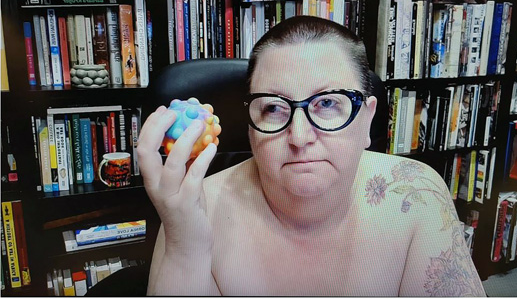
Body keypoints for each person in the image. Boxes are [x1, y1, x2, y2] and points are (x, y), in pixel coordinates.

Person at [137, 16, 486, 296]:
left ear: (366, 119)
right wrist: (186, 245)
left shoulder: (417, 197)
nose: (300, 137)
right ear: (250, 128)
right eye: (273, 107)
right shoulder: (191, 208)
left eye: (328, 103)